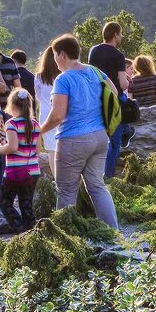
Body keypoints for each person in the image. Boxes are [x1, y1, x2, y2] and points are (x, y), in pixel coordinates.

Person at [40, 34, 120, 229]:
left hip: (73, 139)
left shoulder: (63, 79)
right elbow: (115, 93)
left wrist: (39, 131)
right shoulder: (95, 71)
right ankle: (114, 234)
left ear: (62, 55)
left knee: (66, 191)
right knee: (97, 186)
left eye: (55, 55)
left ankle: (64, 238)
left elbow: (58, 114)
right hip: (100, 137)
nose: (54, 60)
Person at [0, 88, 41, 232]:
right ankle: (32, 233)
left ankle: (20, 230)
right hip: (32, 171)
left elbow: (13, 147)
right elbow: (37, 150)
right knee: (26, 204)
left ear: (12, 106)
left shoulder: (12, 124)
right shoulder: (35, 124)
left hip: (15, 172)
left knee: (5, 203)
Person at [87, 21, 129, 179]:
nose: (122, 37)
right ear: (115, 35)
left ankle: (95, 173)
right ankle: (109, 176)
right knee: (114, 140)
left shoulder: (93, 51)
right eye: (121, 33)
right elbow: (123, 83)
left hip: (96, 97)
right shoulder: (118, 55)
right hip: (113, 99)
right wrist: (128, 81)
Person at [33, 46, 61, 176]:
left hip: (45, 115)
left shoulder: (39, 77)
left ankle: (56, 180)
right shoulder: (62, 76)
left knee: (51, 150)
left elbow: (37, 97)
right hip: (61, 112)